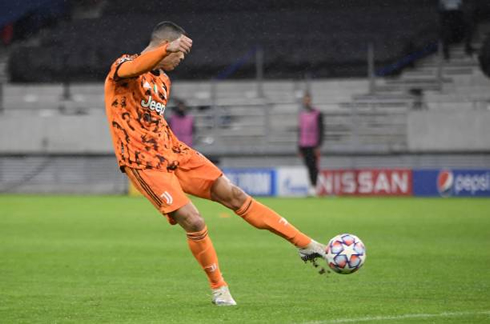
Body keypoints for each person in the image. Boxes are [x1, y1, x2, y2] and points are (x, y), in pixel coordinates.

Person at [104, 21, 327, 306]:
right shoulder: (124, 65)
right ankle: (219, 288)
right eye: (178, 54)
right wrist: (165, 51)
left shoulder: (163, 81)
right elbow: (133, 69)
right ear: (164, 46)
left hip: (174, 151)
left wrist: (166, 55)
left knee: (234, 194)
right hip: (142, 161)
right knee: (193, 220)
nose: (179, 60)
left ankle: (305, 244)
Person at [298, 93, 324, 196]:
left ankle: (314, 186)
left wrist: (318, 145)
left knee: (314, 166)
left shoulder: (317, 113)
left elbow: (321, 130)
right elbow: (300, 130)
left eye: (308, 100)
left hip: (313, 145)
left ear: (310, 100)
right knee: (308, 166)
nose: (306, 101)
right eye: (305, 100)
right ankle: (312, 187)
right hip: (304, 145)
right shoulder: (302, 114)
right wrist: (299, 146)